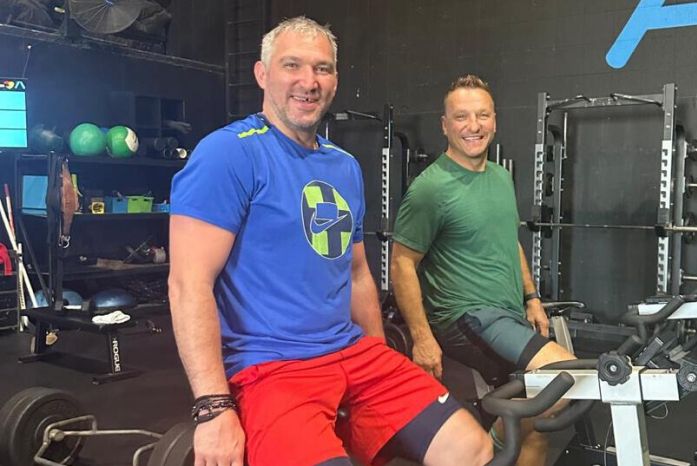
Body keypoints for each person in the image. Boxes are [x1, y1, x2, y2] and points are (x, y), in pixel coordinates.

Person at [168, 17, 492, 466]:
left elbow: (357, 274)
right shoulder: (229, 153)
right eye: (292, 66)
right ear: (262, 74)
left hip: (351, 353)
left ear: (335, 80)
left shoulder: (344, 166)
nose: (309, 82)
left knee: (473, 448)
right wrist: (212, 408)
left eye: (322, 68)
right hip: (271, 368)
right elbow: (189, 283)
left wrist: (379, 357)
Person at [390, 75, 575, 466]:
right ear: (445, 125)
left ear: (494, 120)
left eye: (482, 115)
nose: (473, 126)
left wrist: (532, 297)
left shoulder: (501, 177)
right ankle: (488, 447)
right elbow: (402, 262)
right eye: (461, 117)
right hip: (468, 317)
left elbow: (509, 241)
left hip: (505, 314)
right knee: (562, 378)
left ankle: (497, 440)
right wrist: (422, 338)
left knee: (537, 429)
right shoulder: (431, 188)